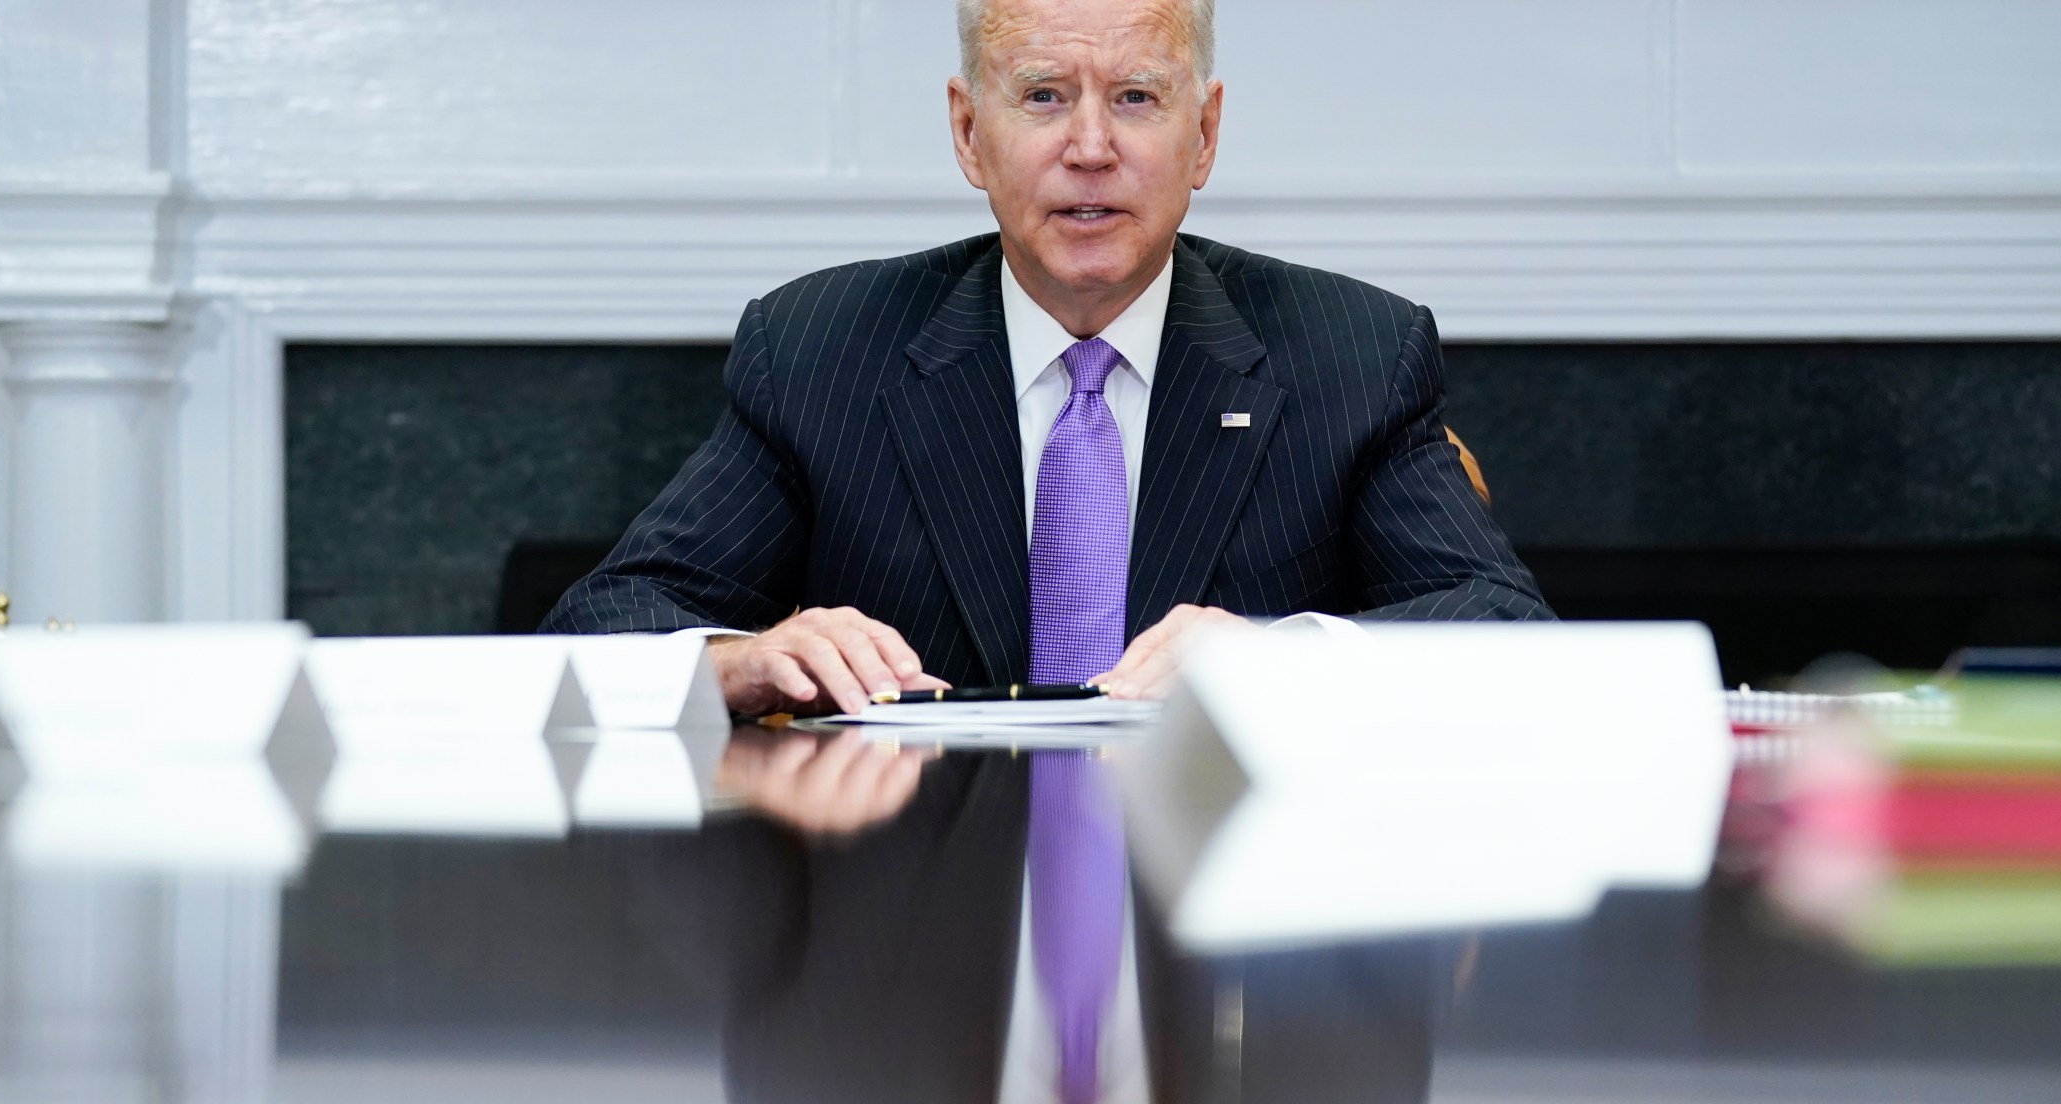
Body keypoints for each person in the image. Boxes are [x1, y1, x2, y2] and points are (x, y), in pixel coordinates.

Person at [543, 0, 1549, 714]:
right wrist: (743, 659)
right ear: (967, 132)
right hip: (909, 930)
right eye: (1041, 96)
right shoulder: (820, 351)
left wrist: (1280, 661)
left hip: (1227, 957)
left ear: (1203, 136)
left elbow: (1510, 631)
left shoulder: (1351, 354)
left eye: (1137, 100)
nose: (1090, 146)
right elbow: (602, 624)